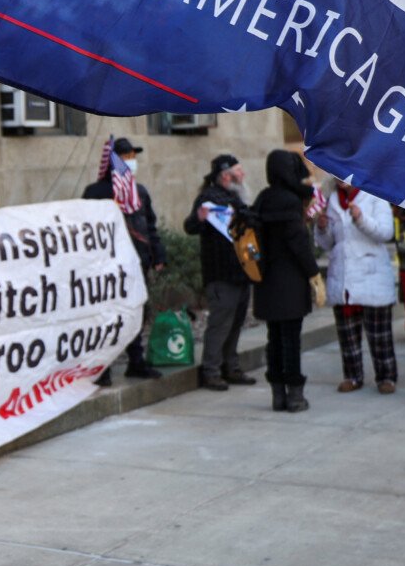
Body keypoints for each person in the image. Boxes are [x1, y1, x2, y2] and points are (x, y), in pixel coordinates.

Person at [84, 136, 166, 383]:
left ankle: (136, 362)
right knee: (107, 318)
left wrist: (158, 254)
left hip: (136, 263)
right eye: (127, 157)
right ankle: (103, 368)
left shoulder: (139, 192)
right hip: (107, 268)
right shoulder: (95, 193)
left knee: (135, 314)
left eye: (133, 156)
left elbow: (150, 226)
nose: (132, 161)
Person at [183, 154, 258, 391]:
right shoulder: (209, 199)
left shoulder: (235, 198)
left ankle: (231, 367)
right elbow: (190, 226)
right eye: (239, 170)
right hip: (221, 275)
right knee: (220, 324)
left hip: (241, 272)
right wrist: (199, 219)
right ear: (226, 175)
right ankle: (211, 371)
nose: (243, 174)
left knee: (236, 323)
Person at [251, 150, 318, 413]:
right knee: (291, 339)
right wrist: (313, 273)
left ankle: (278, 396)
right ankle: (295, 397)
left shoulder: (263, 199)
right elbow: (298, 243)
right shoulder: (290, 202)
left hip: (266, 282)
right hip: (289, 282)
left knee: (274, 339)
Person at [320, 177, 399, 394]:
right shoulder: (332, 200)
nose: (340, 179)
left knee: (379, 333)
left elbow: (385, 233)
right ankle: (352, 375)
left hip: (371, 274)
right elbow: (327, 243)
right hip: (343, 276)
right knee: (348, 334)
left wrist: (361, 218)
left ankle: (386, 377)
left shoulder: (374, 196)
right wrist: (322, 228)